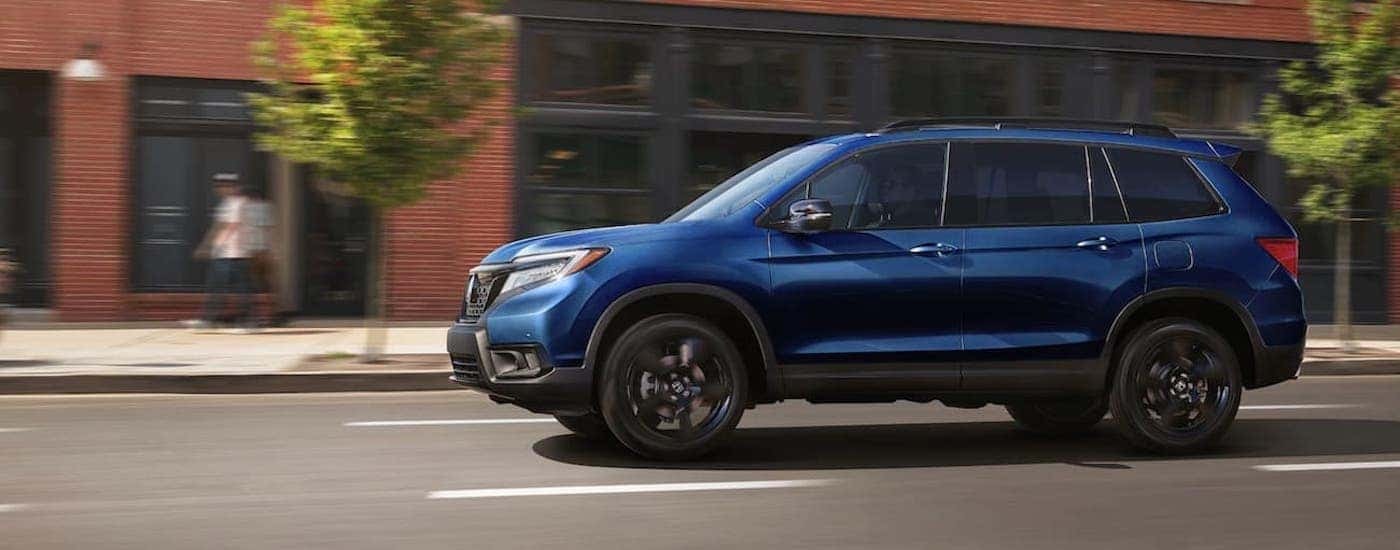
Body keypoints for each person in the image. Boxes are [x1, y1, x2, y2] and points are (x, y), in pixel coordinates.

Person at [185, 174, 254, 332]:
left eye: (223, 186)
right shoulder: (229, 203)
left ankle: (243, 322)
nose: (219, 189)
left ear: (232, 187)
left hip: (232, 252)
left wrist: (215, 246)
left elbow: (230, 226)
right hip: (229, 252)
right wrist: (208, 246)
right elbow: (218, 226)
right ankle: (211, 320)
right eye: (218, 186)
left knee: (229, 288)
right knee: (226, 287)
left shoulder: (237, 203)